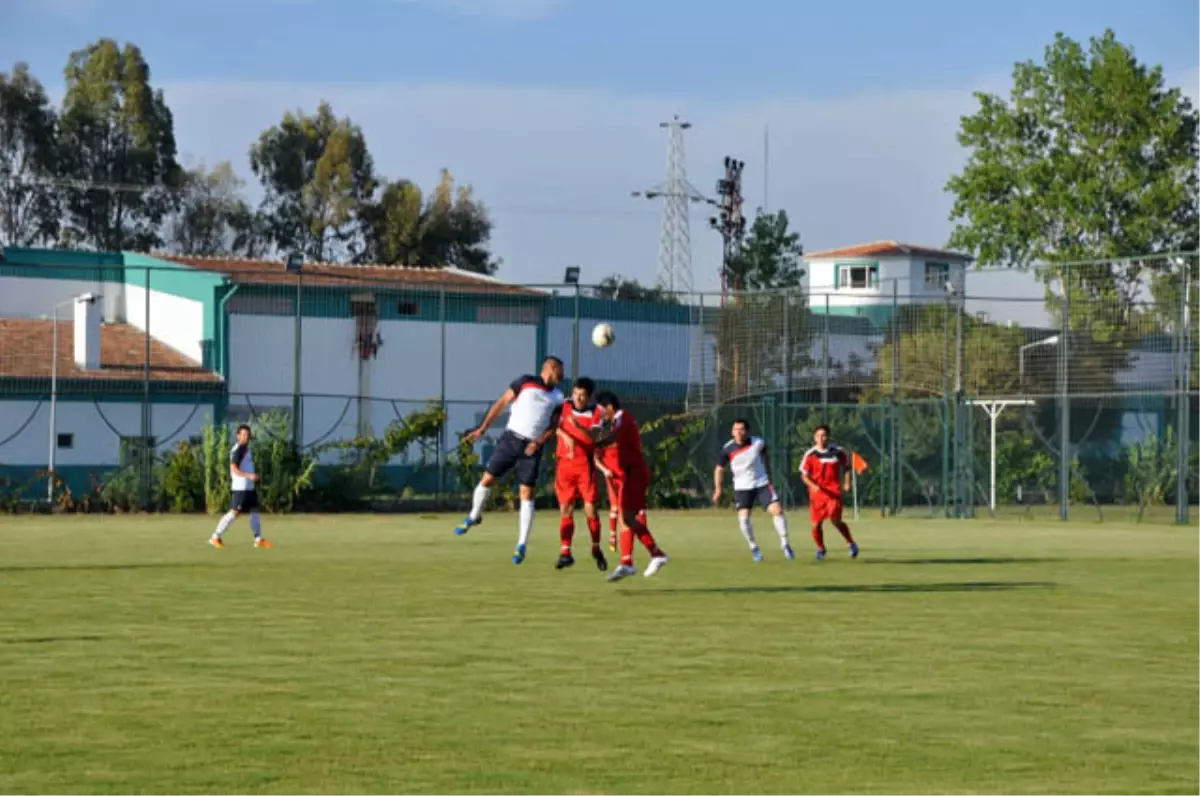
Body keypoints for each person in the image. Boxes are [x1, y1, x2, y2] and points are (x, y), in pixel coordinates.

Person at [455, 356, 566, 564]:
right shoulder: (524, 382)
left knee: (526, 493)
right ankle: (474, 516)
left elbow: (554, 426)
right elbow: (501, 403)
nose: (563, 375)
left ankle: (521, 544)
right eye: (560, 370)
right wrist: (482, 428)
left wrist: (539, 442)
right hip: (510, 440)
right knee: (487, 479)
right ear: (550, 368)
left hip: (532, 447)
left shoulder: (559, 397)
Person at [576, 391, 668, 582]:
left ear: (608, 405)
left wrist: (581, 433)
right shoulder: (618, 421)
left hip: (634, 473)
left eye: (601, 409)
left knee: (626, 516)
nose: (600, 414)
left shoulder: (624, 419)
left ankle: (656, 554)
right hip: (628, 475)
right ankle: (627, 562)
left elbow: (608, 439)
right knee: (624, 518)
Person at [712, 419, 794, 562]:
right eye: (735, 429)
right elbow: (719, 469)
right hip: (742, 487)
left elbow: (765, 455)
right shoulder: (727, 449)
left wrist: (768, 474)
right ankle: (754, 547)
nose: (738, 432)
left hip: (761, 484)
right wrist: (718, 489)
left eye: (741, 429)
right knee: (744, 519)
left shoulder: (758, 443)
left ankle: (785, 544)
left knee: (778, 511)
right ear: (732, 432)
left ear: (747, 431)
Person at [553, 377, 608, 571]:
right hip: (565, 467)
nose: (578, 398)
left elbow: (593, 437)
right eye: (576, 394)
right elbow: (554, 427)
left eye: (582, 396)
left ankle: (595, 548)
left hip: (585, 467)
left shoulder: (597, 412)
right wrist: (564, 434)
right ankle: (565, 552)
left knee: (590, 509)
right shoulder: (564, 406)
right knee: (566, 509)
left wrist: (577, 427)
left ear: (590, 397)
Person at [799, 424, 859, 561]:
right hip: (817, 494)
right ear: (814, 438)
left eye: (824, 435)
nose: (821, 438)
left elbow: (847, 467)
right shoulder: (810, 454)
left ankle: (851, 544)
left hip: (833, 492)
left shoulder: (838, 452)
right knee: (816, 524)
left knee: (835, 519)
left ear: (828, 437)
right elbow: (804, 476)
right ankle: (821, 548)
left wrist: (847, 482)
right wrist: (813, 486)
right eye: (818, 435)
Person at [209, 424, 273, 549]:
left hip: (249, 487)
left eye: (248, 435)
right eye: (243, 435)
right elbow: (233, 468)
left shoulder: (245, 449)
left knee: (255, 511)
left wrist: (253, 477)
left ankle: (258, 539)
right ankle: (215, 537)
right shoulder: (238, 449)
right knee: (234, 513)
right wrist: (248, 476)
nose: (246, 437)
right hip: (241, 488)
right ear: (238, 436)